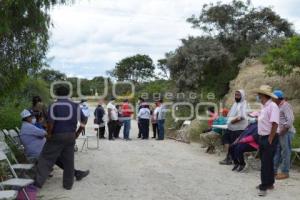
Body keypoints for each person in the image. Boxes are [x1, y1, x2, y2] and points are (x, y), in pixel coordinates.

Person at [34, 85, 88, 190]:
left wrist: (49, 134)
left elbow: (51, 122)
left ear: (56, 94)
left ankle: (38, 183)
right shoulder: (75, 106)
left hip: (57, 135)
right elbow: (84, 120)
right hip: (71, 135)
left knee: (45, 158)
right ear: (68, 94)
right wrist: (77, 133)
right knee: (69, 161)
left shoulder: (54, 105)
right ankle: (68, 185)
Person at [19, 109, 89, 181]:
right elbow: (44, 133)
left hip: (39, 151)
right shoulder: (28, 127)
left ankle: (76, 173)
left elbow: (43, 133)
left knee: (58, 155)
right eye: (32, 116)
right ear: (27, 118)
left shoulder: (27, 126)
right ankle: (76, 173)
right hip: (37, 153)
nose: (33, 118)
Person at [255, 85, 279, 197]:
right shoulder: (264, 106)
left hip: (269, 137)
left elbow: (275, 123)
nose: (258, 96)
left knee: (265, 163)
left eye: (259, 94)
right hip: (263, 137)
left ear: (263, 95)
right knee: (267, 162)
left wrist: (270, 138)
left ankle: (263, 186)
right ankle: (270, 183)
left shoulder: (272, 106)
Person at [220, 90, 248, 165]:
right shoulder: (236, 104)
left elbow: (242, 117)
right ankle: (229, 157)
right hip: (231, 128)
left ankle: (234, 159)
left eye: (238, 95)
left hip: (238, 129)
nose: (236, 96)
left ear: (242, 96)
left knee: (234, 144)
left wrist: (232, 121)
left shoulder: (244, 104)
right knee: (225, 139)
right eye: (236, 95)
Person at [273, 90, 295, 180]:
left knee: (285, 152)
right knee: (277, 151)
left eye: (273, 98)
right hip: (279, 132)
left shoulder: (285, 105)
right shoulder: (277, 106)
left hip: (286, 132)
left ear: (277, 98)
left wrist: (283, 129)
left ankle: (285, 172)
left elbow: (290, 119)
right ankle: (274, 170)